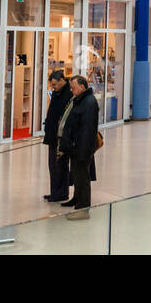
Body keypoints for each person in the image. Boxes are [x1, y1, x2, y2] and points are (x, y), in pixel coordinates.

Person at [58, 75, 100, 209]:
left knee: (82, 176)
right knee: (76, 175)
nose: (71, 90)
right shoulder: (79, 99)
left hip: (81, 147)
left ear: (82, 87)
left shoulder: (89, 102)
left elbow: (87, 130)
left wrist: (83, 150)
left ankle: (83, 205)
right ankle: (76, 198)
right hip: (74, 147)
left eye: (73, 87)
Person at [41, 70, 72, 203]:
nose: (53, 87)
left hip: (61, 136)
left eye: (54, 84)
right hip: (52, 135)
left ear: (61, 81)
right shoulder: (56, 92)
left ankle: (61, 193)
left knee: (60, 165)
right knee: (52, 165)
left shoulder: (68, 94)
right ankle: (54, 191)